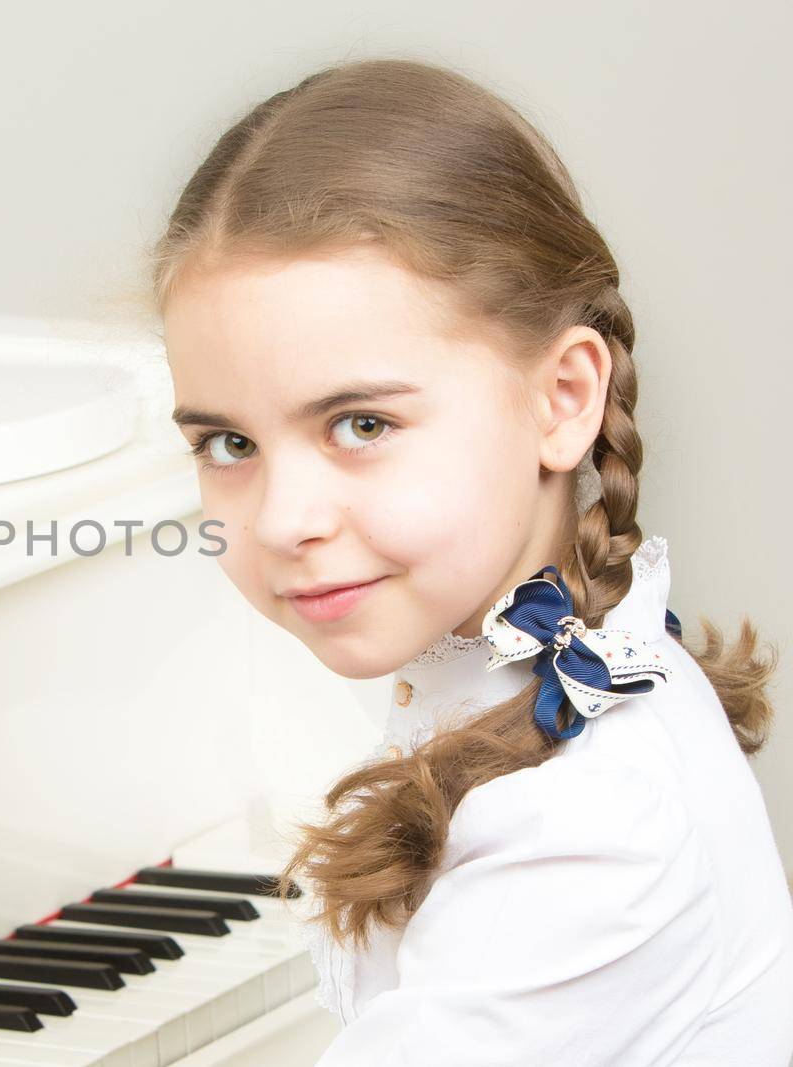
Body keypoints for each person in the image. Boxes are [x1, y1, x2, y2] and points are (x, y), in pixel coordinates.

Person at [152, 58, 793, 1065]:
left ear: (562, 397)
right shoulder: (509, 669)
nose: (282, 518)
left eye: (360, 422)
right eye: (227, 443)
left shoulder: (589, 827)